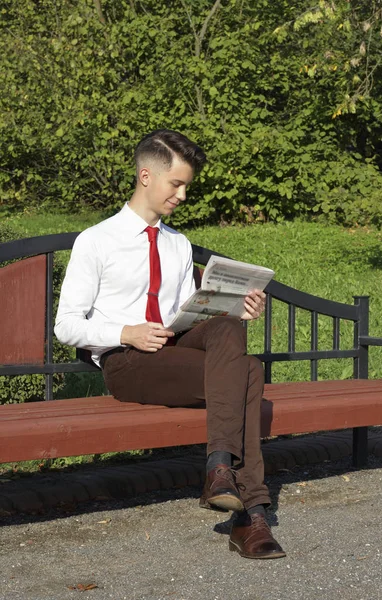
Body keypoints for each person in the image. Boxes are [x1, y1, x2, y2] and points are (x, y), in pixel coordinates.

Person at [55, 129, 286, 560]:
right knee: (249, 372)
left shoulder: (178, 244)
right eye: (175, 184)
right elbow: (66, 325)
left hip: (174, 349)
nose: (181, 194)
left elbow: (185, 316)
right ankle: (251, 515)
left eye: (186, 187)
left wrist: (236, 308)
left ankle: (220, 470)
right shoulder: (96, 241)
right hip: (127, 362)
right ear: (146, 175)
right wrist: (126, 333)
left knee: (229, 328)